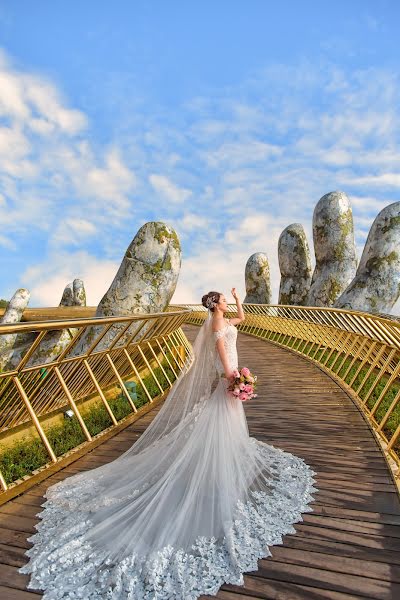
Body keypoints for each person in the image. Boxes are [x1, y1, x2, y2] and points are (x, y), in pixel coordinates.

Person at [20, 288, 317, 599]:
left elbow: (241, 320)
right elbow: (224, 357)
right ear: (214, 305)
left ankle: (217, 463)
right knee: (217, 427)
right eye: (224, 300)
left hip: (230, 381)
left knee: (222, 428)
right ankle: (212, 467)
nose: (228, 304)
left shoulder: (225, 320)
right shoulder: (215, 326)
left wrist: (238, 300)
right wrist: (237, 380)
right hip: (227, 380)